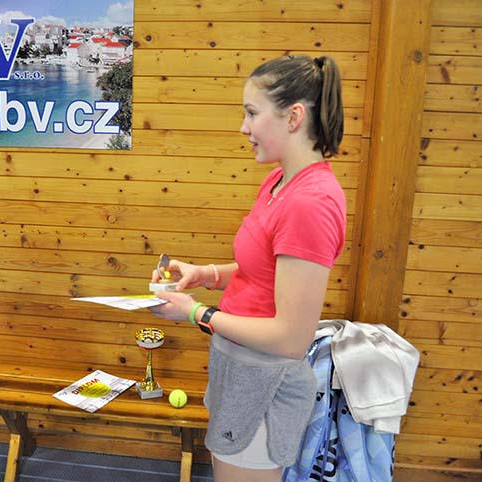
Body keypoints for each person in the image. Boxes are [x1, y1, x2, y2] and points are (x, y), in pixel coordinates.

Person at [148, 55, 347, 482]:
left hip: (264, 383)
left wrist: (195, 312)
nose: (244, 127)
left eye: (252, 113)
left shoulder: (310, 203)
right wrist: (207, 275)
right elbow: (265, 267)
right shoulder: (278, 182)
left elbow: (291, 338)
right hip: (236, 368)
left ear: (294, 117)